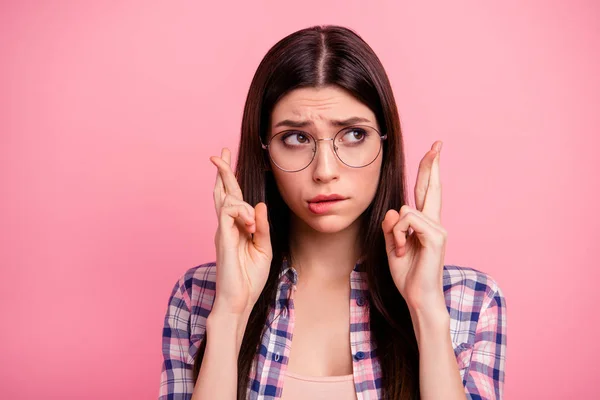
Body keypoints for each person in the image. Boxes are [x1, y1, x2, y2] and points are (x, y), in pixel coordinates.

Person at [158, 25, 507, 400]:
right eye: (296, 138)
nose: (325, 170)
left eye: (354, 134)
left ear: (386, 145)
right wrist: (230, 314)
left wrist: (427, 309)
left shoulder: (471, 300)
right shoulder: (198, 297)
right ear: (264, 155)